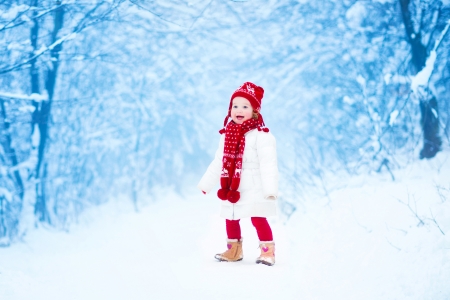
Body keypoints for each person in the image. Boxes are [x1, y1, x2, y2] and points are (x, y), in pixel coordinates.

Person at [197, 82, 278, 266]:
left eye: (245, 106)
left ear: (255, 111)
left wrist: (270, 189)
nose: (238, 110)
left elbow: (268, 164)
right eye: (235, 106)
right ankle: (234, 250)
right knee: (231, 216)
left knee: (258, 217)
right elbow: (219, 161)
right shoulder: (226, 135)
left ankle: (267, 252)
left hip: (254, 185)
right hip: (232, 184)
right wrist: (206, 184)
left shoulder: (262, 136)